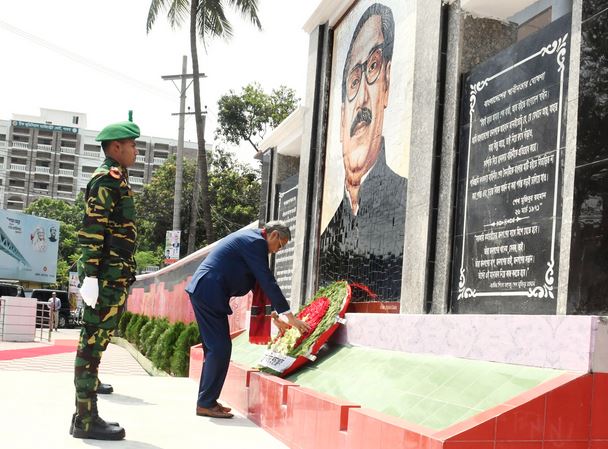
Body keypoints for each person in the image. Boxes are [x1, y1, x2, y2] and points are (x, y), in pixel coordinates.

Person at [319, 3, 407, 301]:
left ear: (387, 82)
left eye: (373, 68)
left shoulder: (409, 206)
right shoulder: (326, 239)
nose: (362, 101)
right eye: (353, 83)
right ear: (342, 112)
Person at [186, 221, 310, 418]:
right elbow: (267, 280)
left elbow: (257, 283)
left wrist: (275, 316)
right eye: (280, 245)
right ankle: (205, 403)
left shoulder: (252, 241)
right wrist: (291, 317)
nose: (277, 251)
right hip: (208, 292)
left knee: (216, 349)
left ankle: (207, 401)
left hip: (207, 291)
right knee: (219, 348)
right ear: (274, 235)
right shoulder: (255, 243)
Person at [70, 120, 140, 440]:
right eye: (132, 144)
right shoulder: (105, 180)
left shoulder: (118, 179)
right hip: (106, 279)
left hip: (115, 276)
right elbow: (92, 231)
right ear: (116, 148)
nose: (135, 150)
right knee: (91, 347)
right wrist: (92, 276)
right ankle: (85, 419)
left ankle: (85, 416)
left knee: (96, 346)